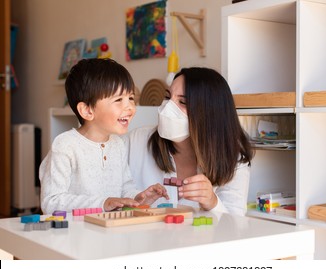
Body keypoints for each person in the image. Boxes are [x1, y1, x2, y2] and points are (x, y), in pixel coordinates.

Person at [39, 58, 168, 214]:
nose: (130, 108)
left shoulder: (117, 144)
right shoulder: (65, 145)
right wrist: (103, 203)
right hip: (74, 235)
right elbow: (51, 202)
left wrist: (138, 197)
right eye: (119, 100)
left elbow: (124, 189)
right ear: (87, 111)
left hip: (108, 232)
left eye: (131, 98)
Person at [125, 67, 253, 216]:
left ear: (210, 113)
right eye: (167, 97)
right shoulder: (136, 141)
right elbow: (107, 199)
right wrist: (135, 203)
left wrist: (212, 202)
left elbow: (235, 226)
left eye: (183, 102)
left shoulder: (233, 159)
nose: (167, 108)